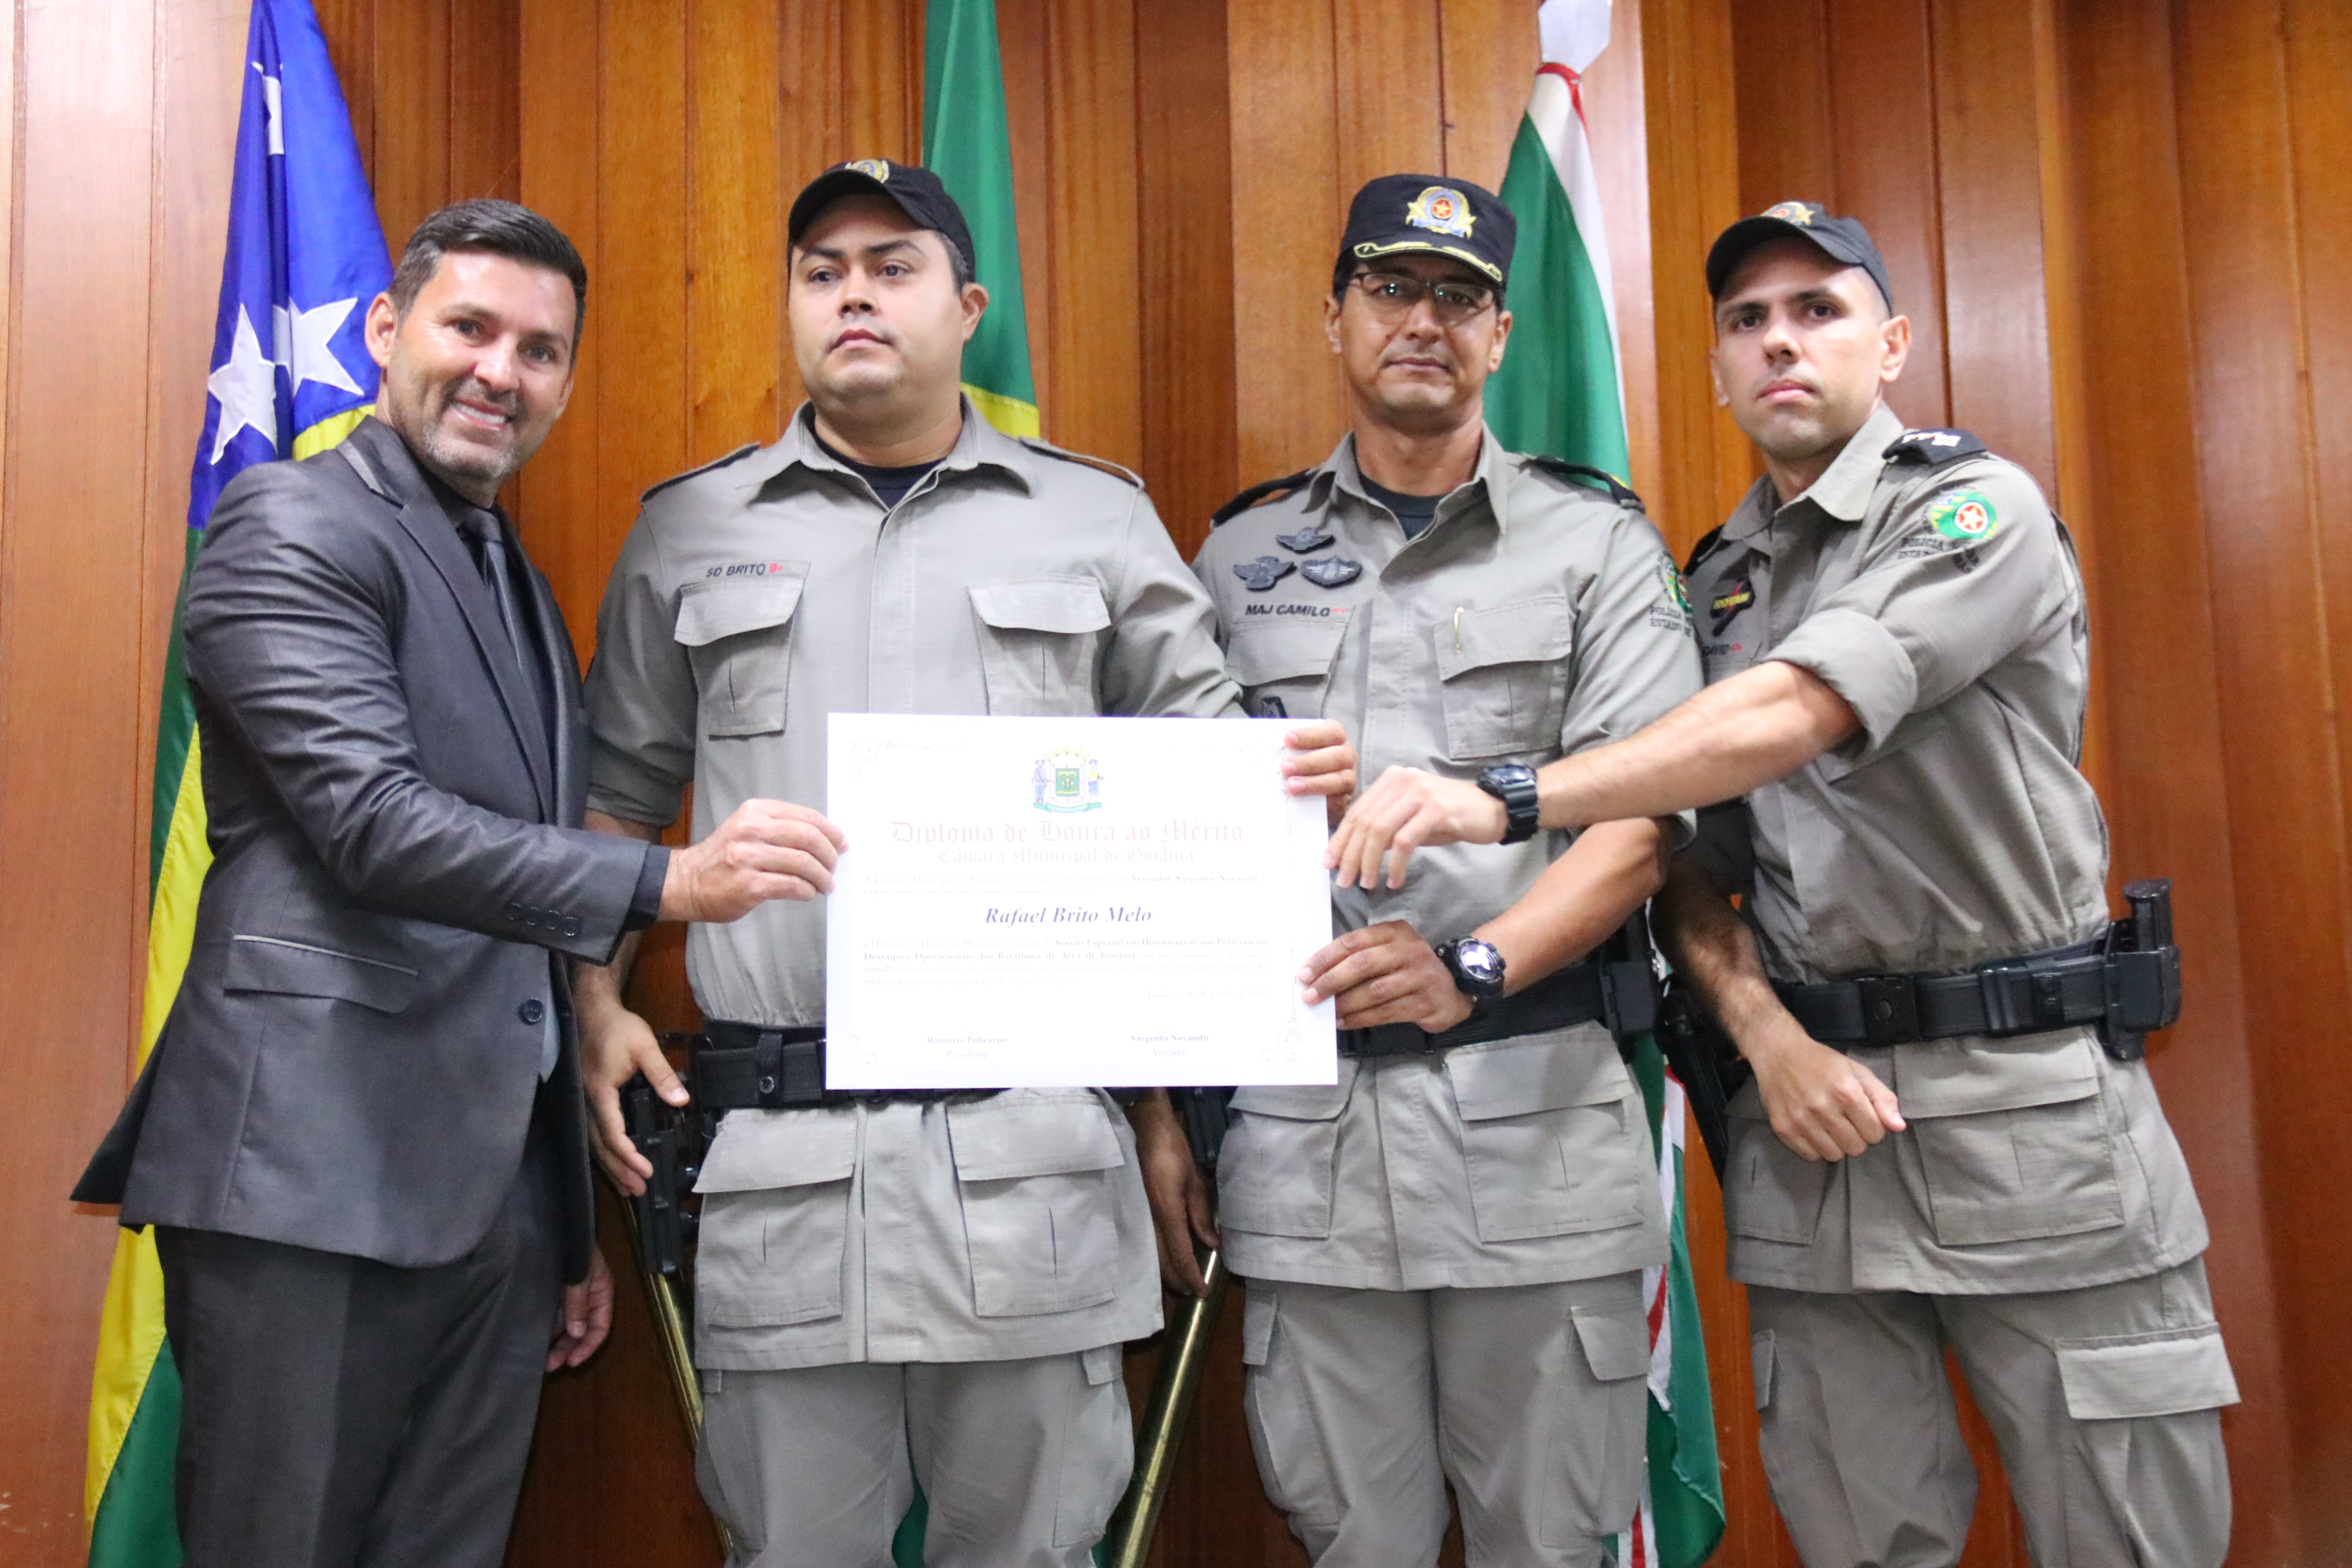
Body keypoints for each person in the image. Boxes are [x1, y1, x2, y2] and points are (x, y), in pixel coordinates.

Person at [1325, 202, 2236, 1568]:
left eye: (1818, 310)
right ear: (1716, 369)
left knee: (2128, 1541)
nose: (1781, 343)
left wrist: (1509, 793)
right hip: (1811, 1136)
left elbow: (1797, 710)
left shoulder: (1971, 510)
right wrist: (1764, 1035)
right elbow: (1693, 862)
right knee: (1859, 1540)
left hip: (2028, 1116)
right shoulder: (1718, 587)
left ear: (1894, 342)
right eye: (1748, 321)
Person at [574, 159, 1355, 1568]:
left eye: (893, 268)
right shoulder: (690, 527)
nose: (854, 296)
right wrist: (593, 1001)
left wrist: (1171, 1095)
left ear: (969, 308)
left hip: (1031, 1162)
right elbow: (618, 801)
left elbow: (1202, 795)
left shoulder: (1093, 519)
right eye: (822, 272)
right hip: (784, 1169)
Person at [72, 201, 825, 1568]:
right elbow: (373, 826)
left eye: (540, 350)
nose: (500, 372)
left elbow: (511, 921)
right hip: (308, 1187)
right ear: (385, 328)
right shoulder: (291, 520)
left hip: (486, 1213)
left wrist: (554, 1225)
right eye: (468, 327)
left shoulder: (511, 575)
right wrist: (670, 880)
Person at [1175, 173, 1702, 1566]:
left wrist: (1474, 965)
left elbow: (1646, 819)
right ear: (1336, 317)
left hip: (1536, 1141)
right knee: (1350, 1543)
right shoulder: (1235, 555)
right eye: (1393, 287)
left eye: (1460, 298)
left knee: (1554, 1544)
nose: (1425, 320)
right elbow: (1172, 826)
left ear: (1502, 334)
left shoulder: (1597, 544)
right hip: (1308, 1153)